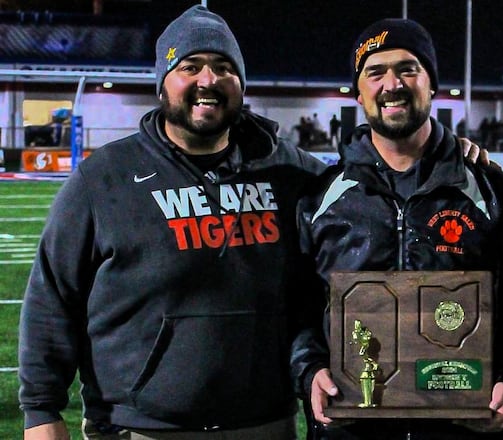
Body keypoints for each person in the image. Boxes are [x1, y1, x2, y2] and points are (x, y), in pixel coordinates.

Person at [17, 6, 328, 439]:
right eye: (191, 66)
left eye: (224, 68)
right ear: (163, 83)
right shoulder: (104, 177)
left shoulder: (295, 174)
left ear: (240, 82)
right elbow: (52, 299)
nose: (209, 80)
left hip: (264, 424)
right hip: (138, 427)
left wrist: (454, 158)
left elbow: (374, 197)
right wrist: (41, 411)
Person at [290, 18, 503, 440]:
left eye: (408, 69)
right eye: (375, 72)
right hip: (351, 429)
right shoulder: (320, 198)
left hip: (461, 427)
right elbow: (297, 307)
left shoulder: (491, 192)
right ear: (358, 90)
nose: (393, 84)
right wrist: (310, 371)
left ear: (431, 83)